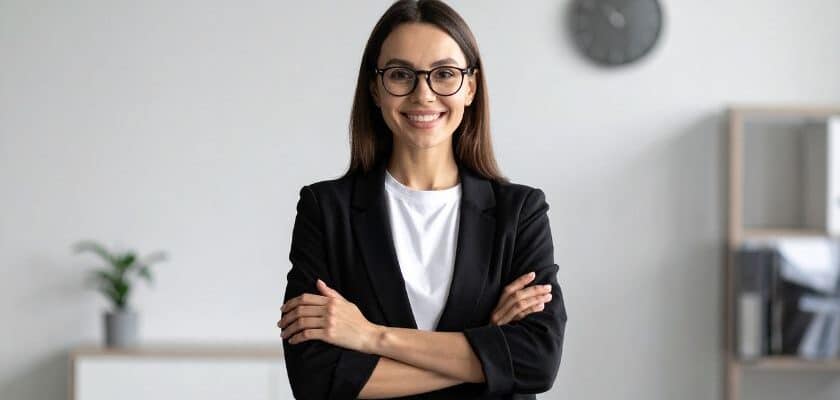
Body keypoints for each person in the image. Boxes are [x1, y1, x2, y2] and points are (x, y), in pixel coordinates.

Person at [277, 1, 567, 399]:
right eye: (400, 75)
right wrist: (490, 350)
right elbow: (315, 378)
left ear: (470, 86)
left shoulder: (519, 212)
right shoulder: (326, 210)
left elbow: (537, 360)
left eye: (444, 74)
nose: (423, 94)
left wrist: (371, 337)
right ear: (375, 88)